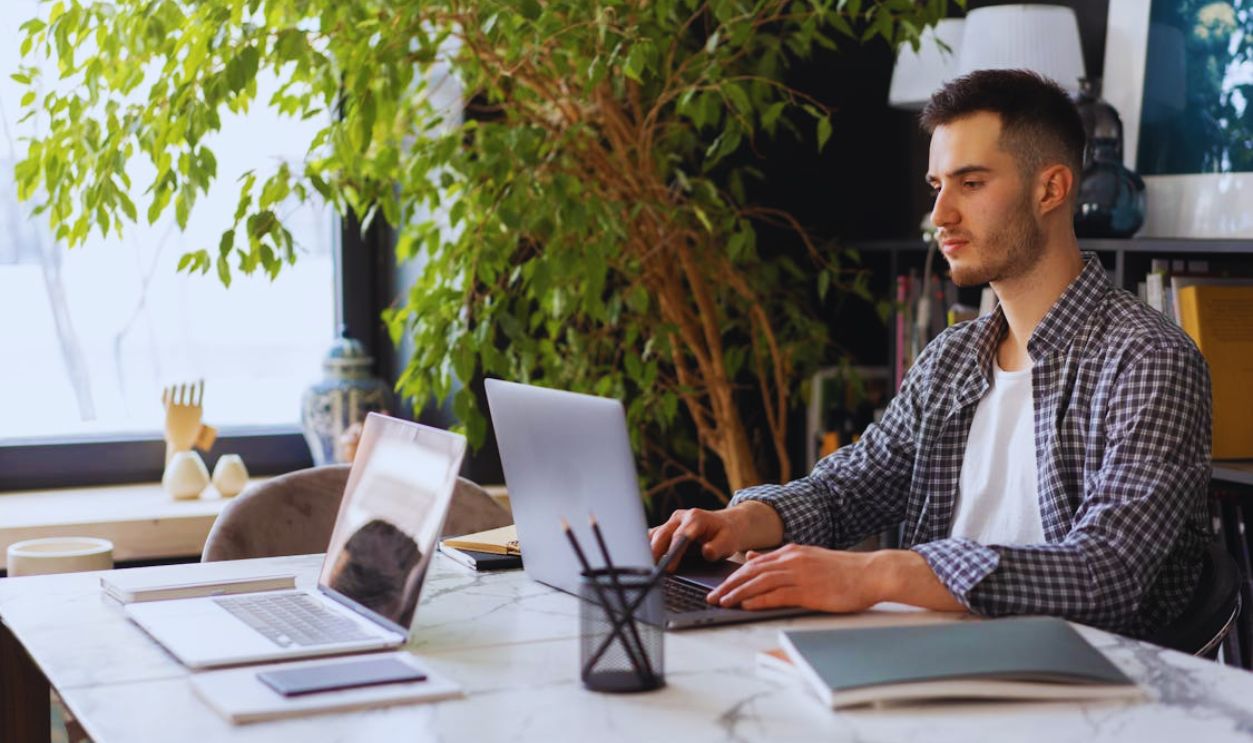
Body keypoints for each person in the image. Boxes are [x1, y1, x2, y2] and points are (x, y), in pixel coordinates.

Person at [649, 69, 1212, 638]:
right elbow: (851, 489)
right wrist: (745, 520)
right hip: (932, 657)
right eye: (936, 185)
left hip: (1090, 686)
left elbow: (1106, 573)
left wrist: (880, 573)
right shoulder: (951, 357)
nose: (940, 215)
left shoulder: (1148, 359)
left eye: (970, 184)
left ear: (1051, 189)